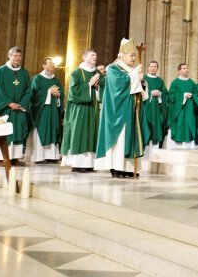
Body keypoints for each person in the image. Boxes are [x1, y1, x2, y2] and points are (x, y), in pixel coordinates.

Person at [95, 38, 147, 178]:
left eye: (134, 55)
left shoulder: (130, 69)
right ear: (122, 55)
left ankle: (128, 168)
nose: (134, 58)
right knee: (120, 138)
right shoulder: (112, 68)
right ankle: (116, 167)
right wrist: (135, 74)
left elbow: (138, 90)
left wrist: (141, 80)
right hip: (118, 110)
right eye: (131, 55)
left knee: (129, 137)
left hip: (130, 109)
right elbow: (118, 85)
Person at [60, 50, 103, 172]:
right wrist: (89, 84)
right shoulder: (77, 72)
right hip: (80, 109)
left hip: (93, 108)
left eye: (96, 55)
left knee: (92, 133)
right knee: (80, 132)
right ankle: (78, 163)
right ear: (84, 57)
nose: (95, 57)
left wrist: (98, 86)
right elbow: (73, 92)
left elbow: (104, 87)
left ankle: (90, 164)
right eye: (92, 55)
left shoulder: (97, 72)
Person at [0, 47, 32, 162]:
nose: (18, 58)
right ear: (9, 56)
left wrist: (21, 104)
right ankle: (0, 158)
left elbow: (28, 91)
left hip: (18, 110)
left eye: (19, 56)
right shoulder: (1, 71)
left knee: (17, 132)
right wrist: (8, 103)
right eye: (15, 55)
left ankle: (14, 158)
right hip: (4, 109)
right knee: (3, 133)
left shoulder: (24, 73)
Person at [27, 57, 63, 163]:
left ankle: (52, 156)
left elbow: (62, 93)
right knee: (41, 131)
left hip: (53, 111)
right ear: (43, 66)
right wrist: (48, 92)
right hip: (41, 111)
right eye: (50, 63)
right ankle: (40, 157)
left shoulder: (56, 80)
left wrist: (58, 95)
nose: (53, 65)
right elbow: (33, 95)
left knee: (53, 131)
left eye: (53, 63)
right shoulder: (37, 78)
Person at [140, 60, 167, 163]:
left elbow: (166, 93)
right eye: (151, 66)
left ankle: (154, 157)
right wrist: (150, 93)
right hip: (146, 108)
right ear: (148, 68)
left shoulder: (160, 81)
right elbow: (139, 91)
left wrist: (159, 93)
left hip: (157, 110)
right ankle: (144, 156)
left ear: (157, 68)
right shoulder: (143, 79)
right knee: (145, 129)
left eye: (155, 66)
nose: (153, 68)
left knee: (156, 130)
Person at [166, 63, 198, 149]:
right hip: (179, 109)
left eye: (187, 68)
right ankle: (177, 145)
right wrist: (183, 96)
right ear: (179, 71)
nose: (186, 70)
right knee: (179, 123)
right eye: (184, 68)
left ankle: (188, 145)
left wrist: (193, 97)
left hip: (189, 108)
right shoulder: (175, 82)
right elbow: (171, 96)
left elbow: (196, 95)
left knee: (188, 123)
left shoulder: (192, 83)